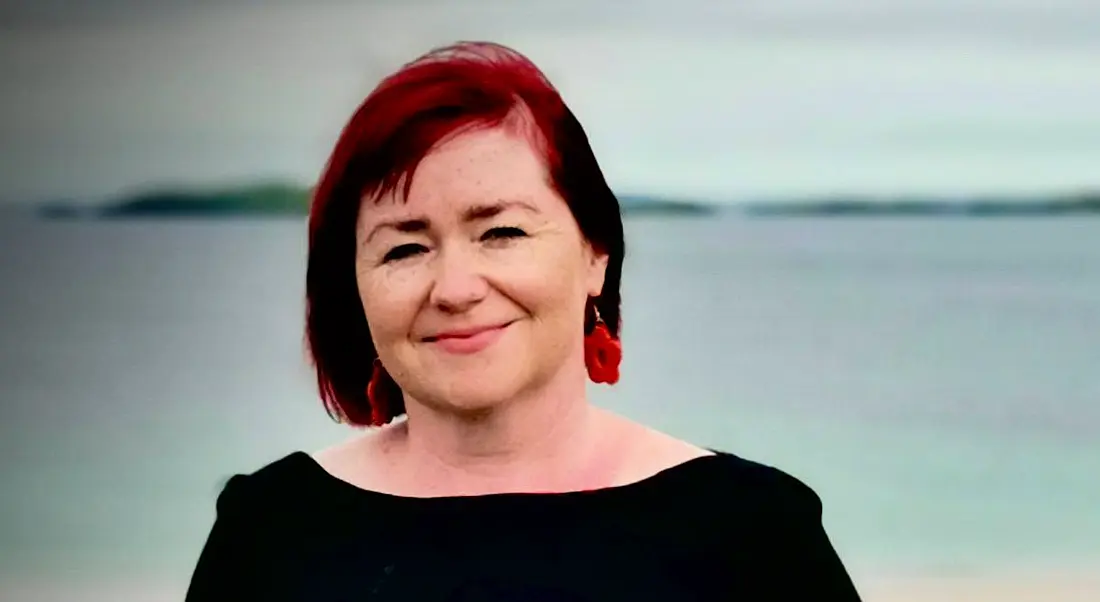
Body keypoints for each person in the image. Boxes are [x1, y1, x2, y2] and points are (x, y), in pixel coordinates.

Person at [184, 40, 863, 601]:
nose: (454, 288)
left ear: (596, 253)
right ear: (354, 288)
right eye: (404, 248)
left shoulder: (752, 532)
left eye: (501, 232)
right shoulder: (271, 531)